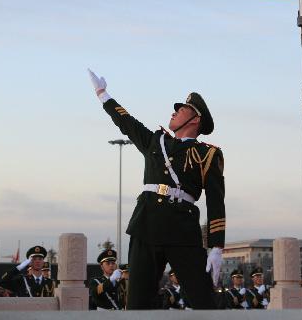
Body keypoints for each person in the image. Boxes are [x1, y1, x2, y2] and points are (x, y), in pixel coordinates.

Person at [89, 69, 225, 310]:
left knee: (204, 301)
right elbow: (127, 123)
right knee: (138, 302)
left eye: (181, 109)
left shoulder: (207, 154)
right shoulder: (156, 142)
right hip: (147, 223)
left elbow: (216, 201)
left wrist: (216, 246)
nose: (174, 111)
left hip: (182, 229)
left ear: (195, 119)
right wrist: (103, 95)